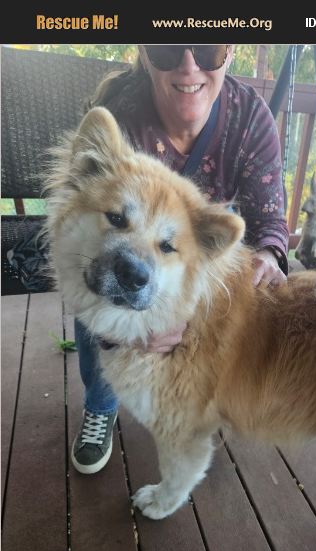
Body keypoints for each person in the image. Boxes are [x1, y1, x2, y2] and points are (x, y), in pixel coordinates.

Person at [72, 44, 289, 474]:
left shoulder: (248, 115)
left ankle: (193, 397)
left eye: (208, 49)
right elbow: (76, 216)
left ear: (230, 53)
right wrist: (121, 333)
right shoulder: (121, 114)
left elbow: (269, 217)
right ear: (145, 52)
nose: (189, 66)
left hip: (194, 246)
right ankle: (100, 403)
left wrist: (268, 253)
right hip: (118, 243)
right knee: (100, 279)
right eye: (169, 48)